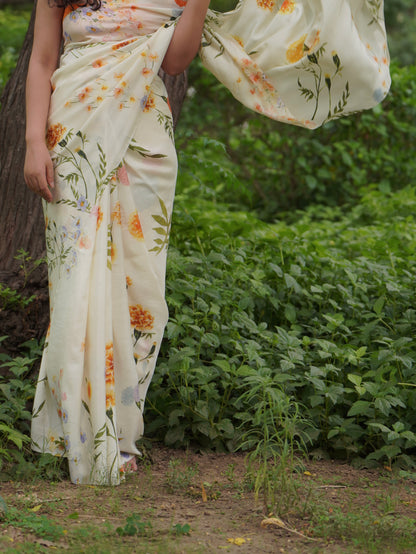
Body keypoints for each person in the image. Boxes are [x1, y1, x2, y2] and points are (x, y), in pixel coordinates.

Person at [24, 0, 390, 485]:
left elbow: (176, 60)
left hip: (145, 129)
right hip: (74, 127)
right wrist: (32, 142)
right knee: (77, 282)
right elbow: (42, 59)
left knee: (142, 290)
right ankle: (76, 436)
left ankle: (121, 435)